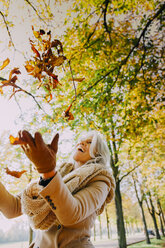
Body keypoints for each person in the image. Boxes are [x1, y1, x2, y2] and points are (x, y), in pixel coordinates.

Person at [0, 130, 115, 248]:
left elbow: (72, 214)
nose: (81, 143)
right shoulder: (60, 172)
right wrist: (47, 171)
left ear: (99, 153)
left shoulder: (102, 181)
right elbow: (12, 209)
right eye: (80, 141)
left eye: (89, 142)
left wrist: (47, 171)